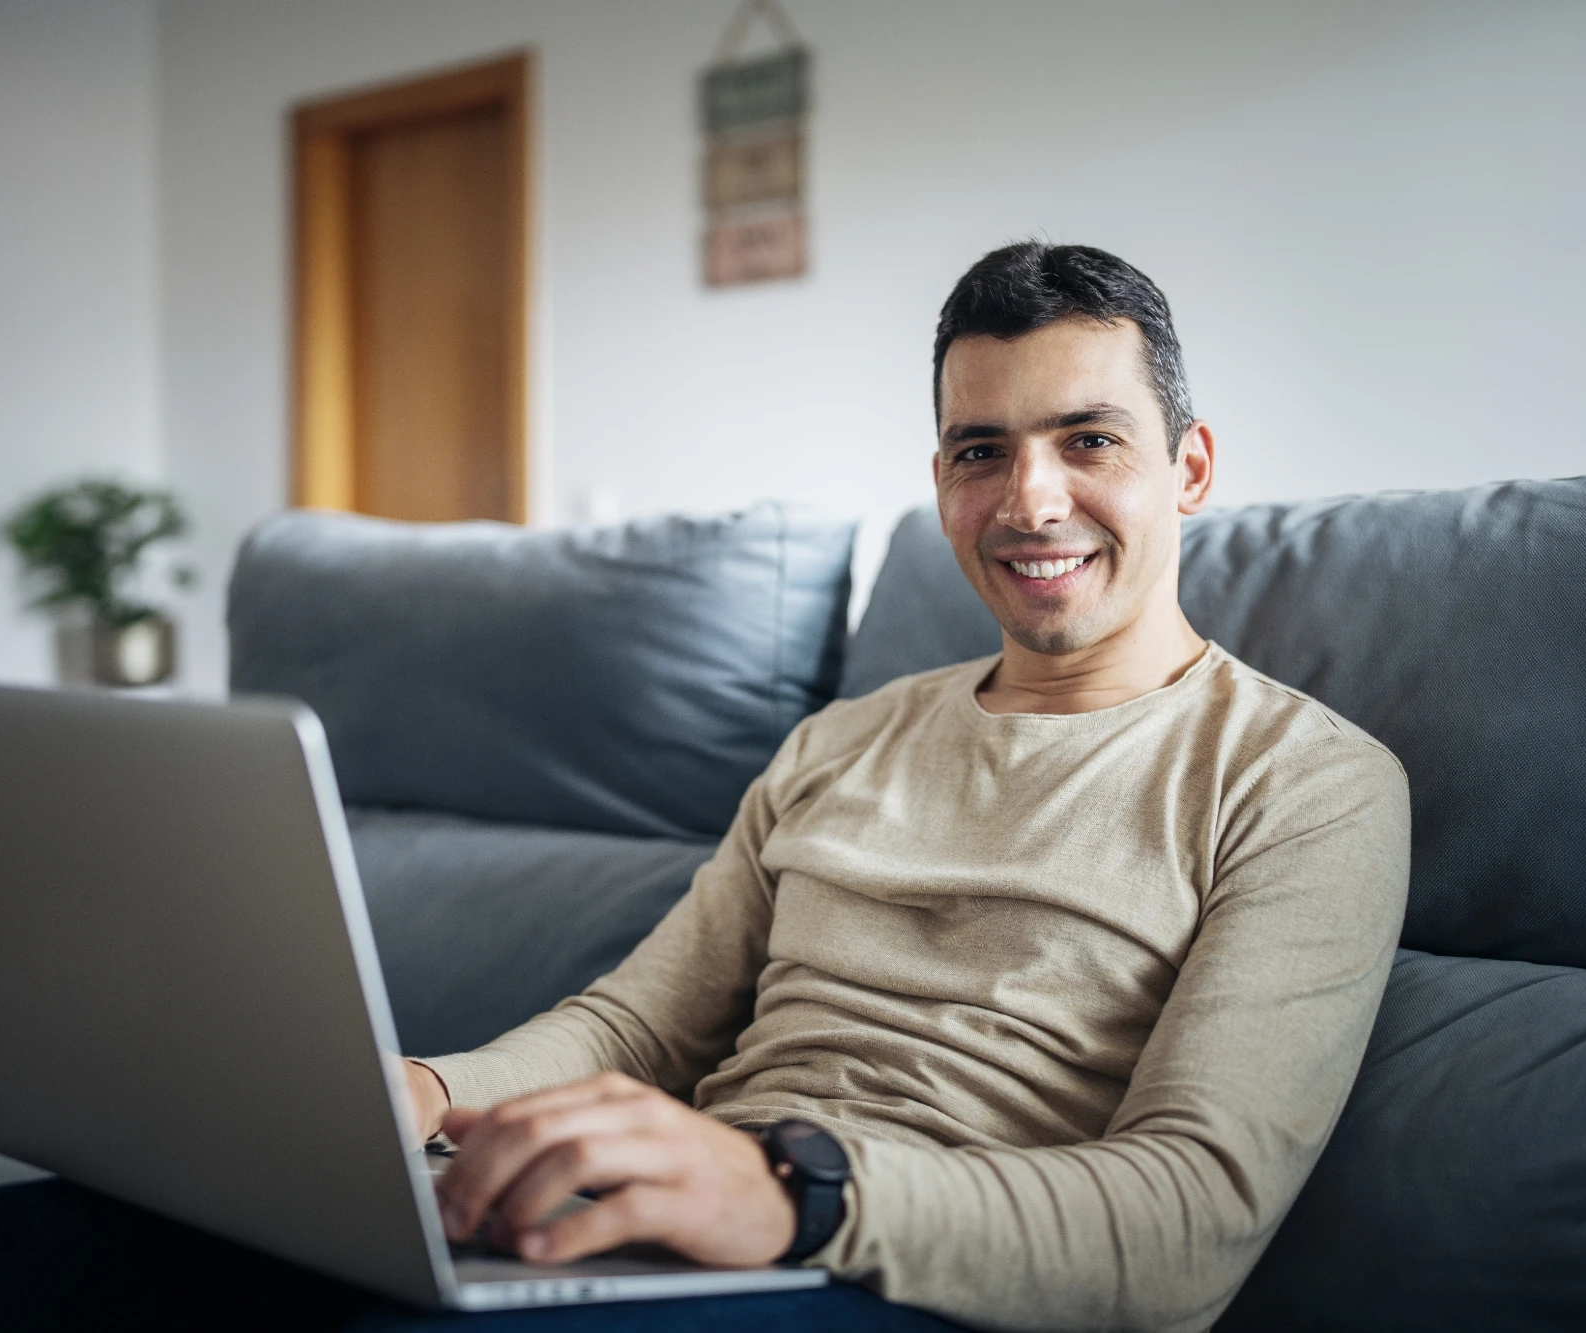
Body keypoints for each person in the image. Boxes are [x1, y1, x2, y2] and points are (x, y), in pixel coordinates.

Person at [403, 242, 1411, 1333]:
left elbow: (1188, 1220)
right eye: (982, 450)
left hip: (928, 1283)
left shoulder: (1302, 781)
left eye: (1089, 441)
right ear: (941, 484)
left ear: (1190, 468)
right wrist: (425, 1093)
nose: (1030, 501)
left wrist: (794, 1195)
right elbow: (635, 1029)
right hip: (702, 1244)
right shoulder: (837, 743)